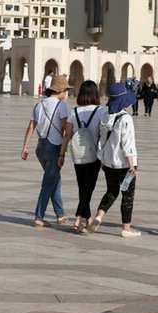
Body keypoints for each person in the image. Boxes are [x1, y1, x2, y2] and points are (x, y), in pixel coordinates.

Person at [88, 83, 140, 237]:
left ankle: (98, 216)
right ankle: (126, 228)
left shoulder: (105, 116)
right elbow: (127, 144)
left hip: (109, 162)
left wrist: (103, 160)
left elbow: (102, 142)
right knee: (127, 195)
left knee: (111, 191)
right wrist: (132, 165)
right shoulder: (126, 119)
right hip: (125, 163)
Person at [21, 74, 72, 227]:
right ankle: (38, 217)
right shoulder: (61, 105)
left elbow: (31, 127)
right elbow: (65, 127)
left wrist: (25, 146)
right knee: (48, 183)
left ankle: (60, 215)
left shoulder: (39, 105)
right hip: (54, 147)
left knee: (54, 179)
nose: (66, 93)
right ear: (61, 90)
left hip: (40, 147)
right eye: (65, 90)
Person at [60, 80, 106, 232]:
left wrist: (62, 154)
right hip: (94, 155)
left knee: (82, 186)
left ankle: (87, 218)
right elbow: (104, 134)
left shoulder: (73, 112)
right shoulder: (100, 112)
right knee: (89, 188)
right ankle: (79, 216)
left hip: (78, 154)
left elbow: (67, 135)